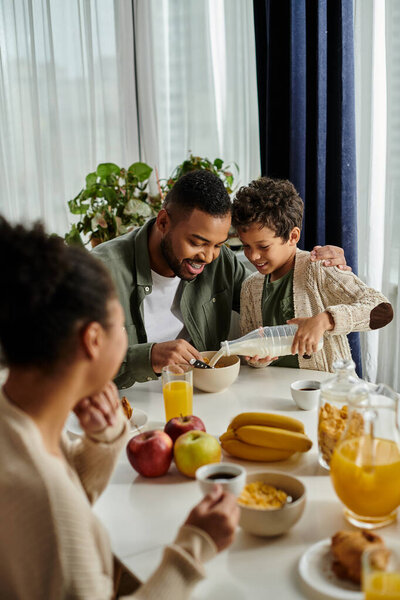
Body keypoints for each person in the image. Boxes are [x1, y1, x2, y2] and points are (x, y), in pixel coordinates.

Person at [0, 217, 239, 600]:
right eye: (119, 326)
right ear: (93, 340)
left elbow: (63, 482)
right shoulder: (45, 503)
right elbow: (55, 505)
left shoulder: (17, 414)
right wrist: (193, 546)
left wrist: (103, 442)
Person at [93, 170, 350, 388]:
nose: (207, 257)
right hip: (123, 409)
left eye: (218, 244)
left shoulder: (220, 261)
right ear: (163, 222)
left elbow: (267, 300)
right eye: (197, 242)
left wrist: (317, 268)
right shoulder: (100, 272)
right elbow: (70, 362)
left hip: (200, 399)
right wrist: (148, 357)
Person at [231, 177, 393, 372]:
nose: (253, 256)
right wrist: (259, 357)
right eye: (246, 246)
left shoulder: (319, 268)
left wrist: (324, 320)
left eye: (263, 246)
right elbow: (254, 358)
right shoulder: (250, 287)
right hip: (276, 392)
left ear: (293, 236)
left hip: (327, 392)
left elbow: (382, 310)